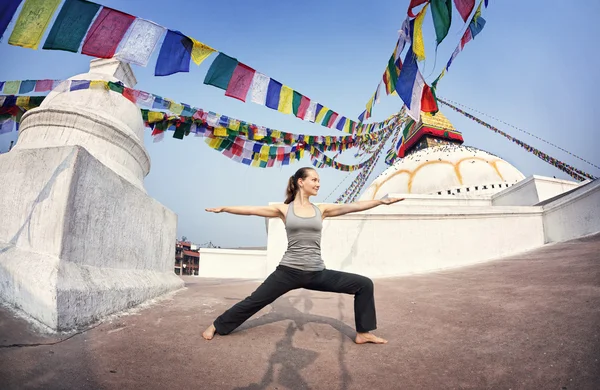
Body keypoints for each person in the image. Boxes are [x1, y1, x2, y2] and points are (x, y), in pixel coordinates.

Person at [202, 167, 404, 344]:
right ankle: (217, 325)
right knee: (255, 300)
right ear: (301, 182)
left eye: (319, 181)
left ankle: (363, 333)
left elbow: (353, 206)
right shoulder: (284, 209)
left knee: (364, 284)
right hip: (288, 272)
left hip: (316, 272)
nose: (318, 184)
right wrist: (225, 208)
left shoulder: (321, 209)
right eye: (314, 180)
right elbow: (252, 210)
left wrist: (381, 201)